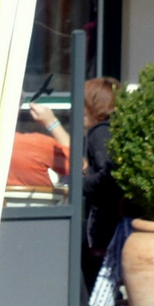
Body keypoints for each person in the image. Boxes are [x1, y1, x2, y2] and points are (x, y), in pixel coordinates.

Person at [31, 77, 126, 290]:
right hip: (109, 222)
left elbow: (108, 174)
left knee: (90, 279)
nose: (80, 111)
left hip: (102, 225)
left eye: (84, 105)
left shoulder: (99, 132)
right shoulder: (111, 131)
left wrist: (78, 186)